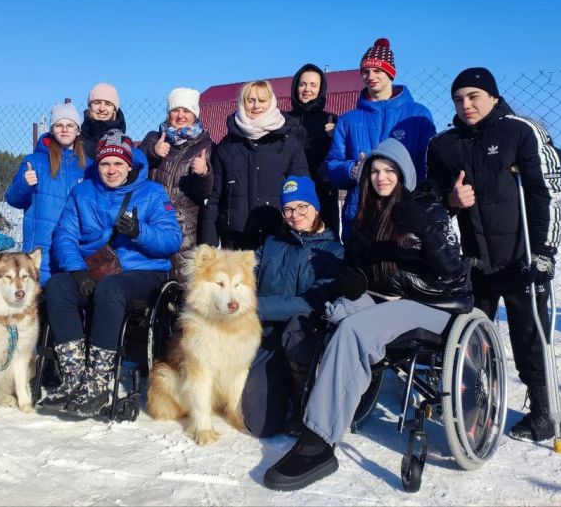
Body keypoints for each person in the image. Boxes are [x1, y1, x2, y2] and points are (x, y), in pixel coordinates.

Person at [264, 139, 470, 491]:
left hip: (433, 305)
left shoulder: (427, 209)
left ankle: (318, 443)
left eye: (389, 170)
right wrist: (354, 279)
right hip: (384, 299)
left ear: (403, 173)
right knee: (335, 313)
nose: (381, 177)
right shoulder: (365, 216)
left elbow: (454, 274)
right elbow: (363, 269)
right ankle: (324, 403)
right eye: (374, 170)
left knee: (355, 330)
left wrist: (425, 230)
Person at [426, 67, 561, 442]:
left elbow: (547, 194)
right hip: (476, 260)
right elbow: (432, 202)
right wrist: (451, 200)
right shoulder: (444, 144)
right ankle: (475, 401)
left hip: (522, 259)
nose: (466, 104)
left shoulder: (521, 131)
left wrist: (545, 252)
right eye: (458, 99)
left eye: (473, 96)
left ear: (492, 96)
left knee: (529, 335)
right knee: (470, 336)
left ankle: (543, 412)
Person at [38, 129, 182, 418]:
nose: (112, 170)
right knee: (57, 286)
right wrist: (76, 270)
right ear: (97, 165)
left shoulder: (152, 193)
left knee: (111, 290)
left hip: (143, 271)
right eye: (105, 163)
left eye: (118, 163)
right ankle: (73, 376)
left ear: (130, 164)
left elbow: (171, 240)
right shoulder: (83, 191)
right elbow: (64, 235)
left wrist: (141, 232)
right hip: (96, 267)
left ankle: (99, 381)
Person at [241, 176, 343, 439]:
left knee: (296, 328)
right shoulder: (272, 244)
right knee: (260, 423)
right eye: (288, 209)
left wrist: (256, 306)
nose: (295, 215)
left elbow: (314, 301)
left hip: (305, 338)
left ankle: (303, 403)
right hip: (267, 337)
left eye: (302, 207)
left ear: (316, 208)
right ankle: (278, 388)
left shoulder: (333, 251)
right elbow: (245, 276)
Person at [324, 38, 436, 242]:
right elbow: (332, 167)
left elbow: (427, 166)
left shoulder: (417, 115)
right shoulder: (349, 120)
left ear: (391, 72)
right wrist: (352, 170)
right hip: (360, 214)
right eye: (365, 71)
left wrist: (417, 203)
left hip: (403, 215)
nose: (370, 76)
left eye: (377, 71)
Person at [200, 80, 309, 251]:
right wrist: (208, 243)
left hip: (278, 236)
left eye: (262, 100)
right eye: (250, 100)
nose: (256, 105)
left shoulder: (289, 144)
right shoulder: (227, 146)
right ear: (242, 103)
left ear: (271, 102)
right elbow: (214, 196)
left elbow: (302, 192)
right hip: (235, 240)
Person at [5, 102, 91, 284]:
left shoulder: (87, 166)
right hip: (41, 247)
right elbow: (13, 199)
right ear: (52, 130)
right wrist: (24, 184)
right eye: (59, 125)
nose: (65, 129)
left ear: (78, 130)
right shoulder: (34, 161)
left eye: (70, 125)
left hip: (74, 246)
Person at [139, 87, 213, 280]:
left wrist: (204, 174)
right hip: (150, 222)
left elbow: (206, 193)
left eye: (186, 110)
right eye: (175, 110)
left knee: (181, 288)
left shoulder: (205, 145)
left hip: (185, 228)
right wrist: (153, 153)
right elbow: (131, 171)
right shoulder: (153, 139)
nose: (180, 115)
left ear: (195, 115)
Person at [285, 63, 340, 237]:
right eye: (302, 84)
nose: (307, 89)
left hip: (323, 194)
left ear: (321, 89)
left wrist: (336, 137)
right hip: (291, 194)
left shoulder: (332, 120)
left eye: (313, 85)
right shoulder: (282, 121)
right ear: (295, 87)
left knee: (324, 244)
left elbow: (342, 157)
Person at [80, 82, 127, 160]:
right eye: (97, 103)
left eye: (108, 104)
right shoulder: (77, 140)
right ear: (90, 107)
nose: (102, 108)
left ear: (114, 109)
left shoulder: (124, 142)